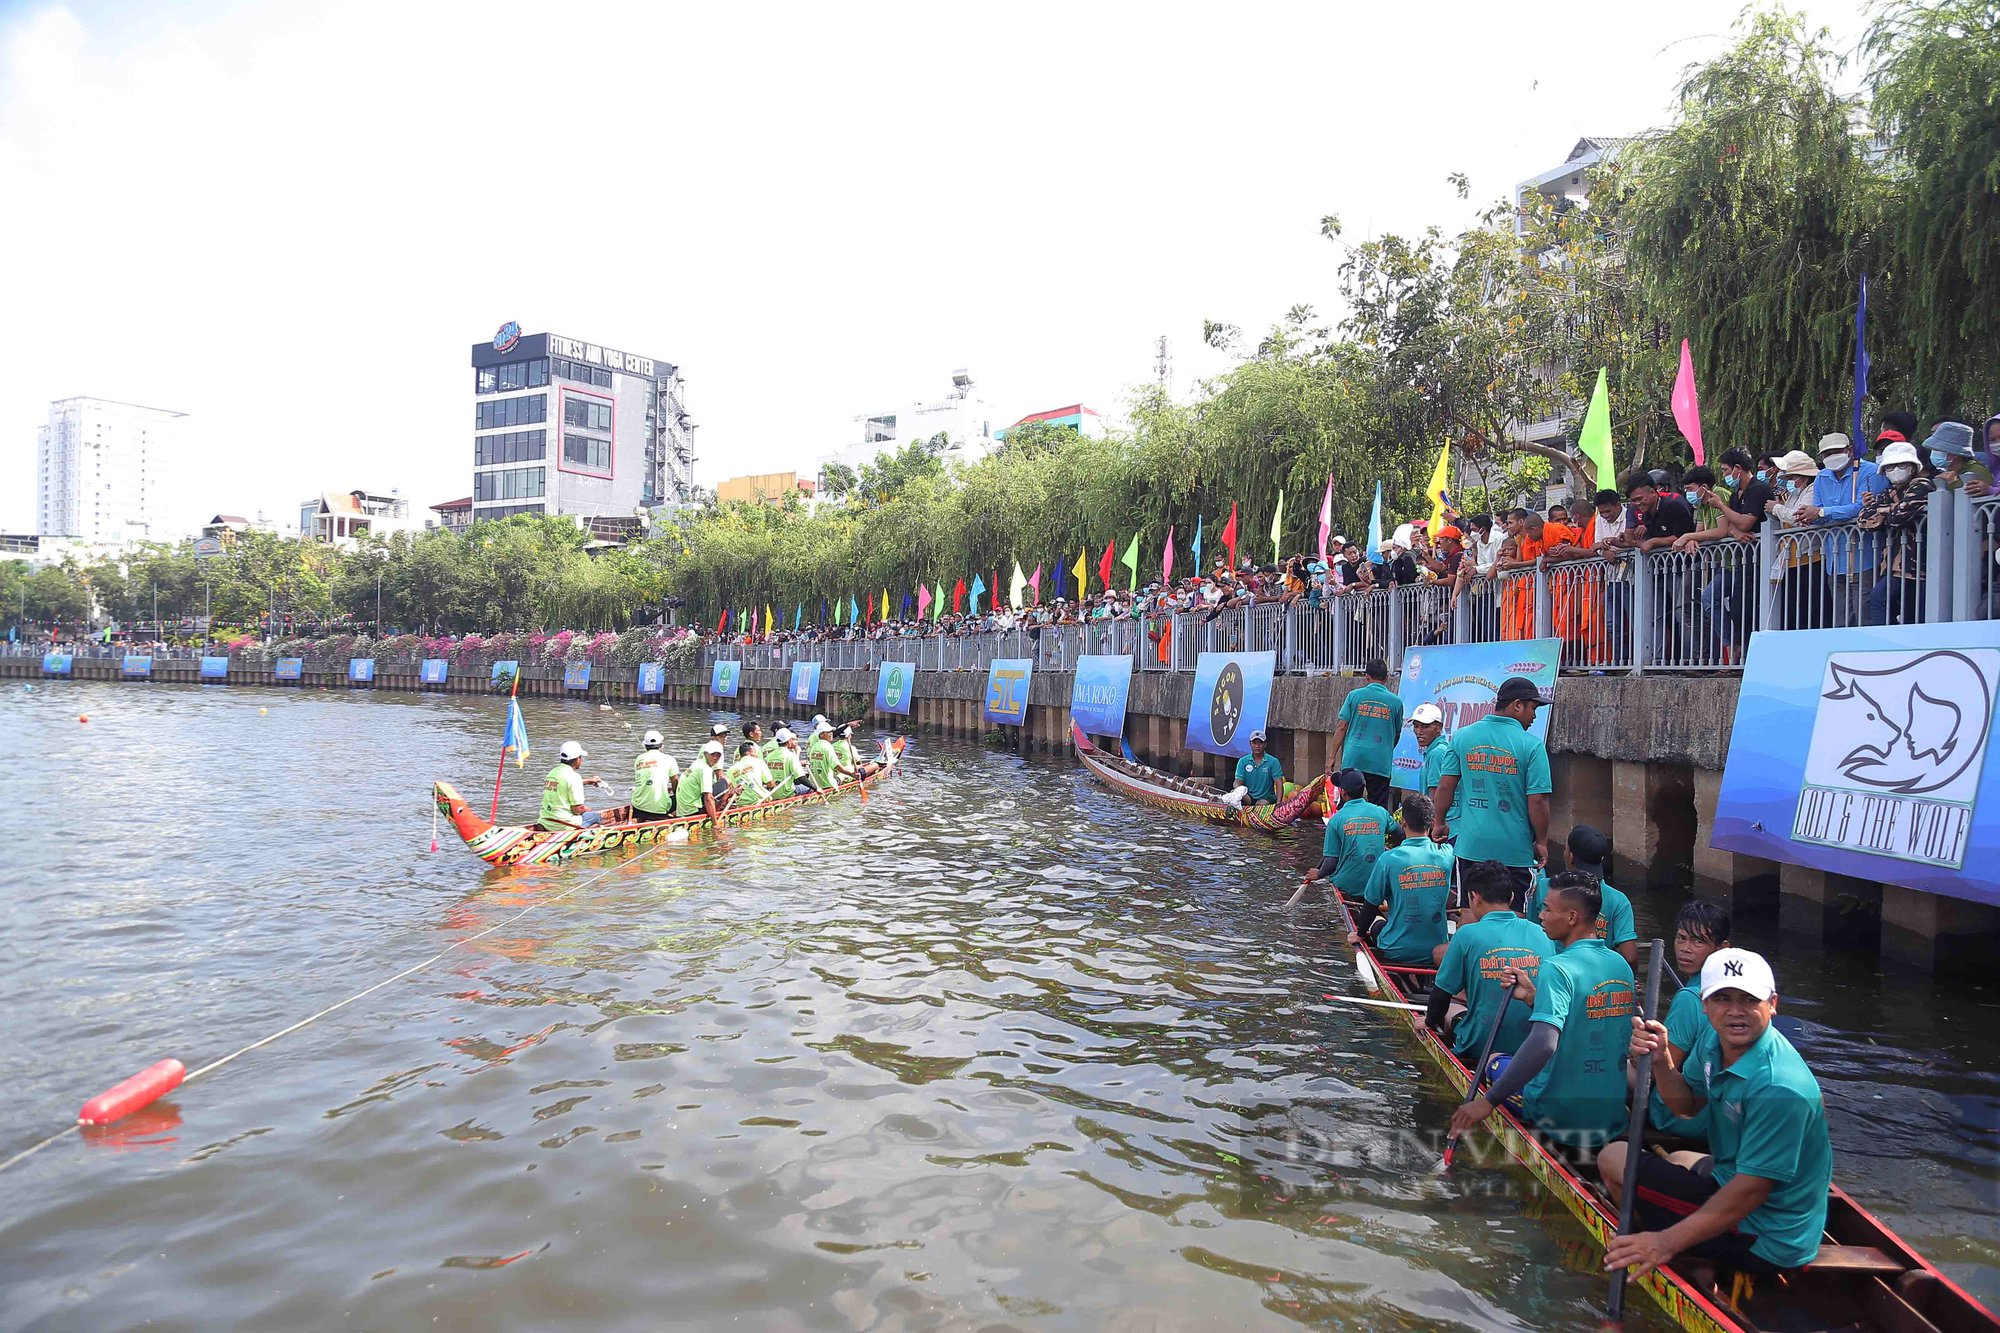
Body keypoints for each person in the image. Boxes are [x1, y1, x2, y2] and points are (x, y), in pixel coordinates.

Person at [1599, 949, 1833, 1280]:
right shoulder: (1715, 1041)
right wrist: (1662, 1059)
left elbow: (1751, 1191)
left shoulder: (1781, 1087)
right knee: (1679, 1156)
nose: (1736, 1012)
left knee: (1612, 1156)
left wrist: (1665, 1241)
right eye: (1722, 999)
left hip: (1768, 1235)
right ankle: (1685, 1242)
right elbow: (1686, 1106)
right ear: (1705, 1006)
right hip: (1737, 1180)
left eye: (1749, 1000)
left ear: (1772, 1004)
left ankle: (1664, 1251)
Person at [1449, 872, 1637, 1150]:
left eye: (1547, 909)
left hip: (1558, 1116)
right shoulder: (1620, 965)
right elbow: (1583, 1018)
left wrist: (1487, 1102)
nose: (1541, 916)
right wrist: (1533, 998)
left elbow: (1544, 1044)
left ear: (1572, 918)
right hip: (1610, 1115)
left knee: (1494, 1060)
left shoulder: (1557, 967)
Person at [1429, 676, 1551, 908]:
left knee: (1468, 909)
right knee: (1514, 915)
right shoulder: (1532, 746)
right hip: (1514, 851)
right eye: (1533, 708)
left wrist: (1439, 822)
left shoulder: (1463, 736)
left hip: (1470, 847)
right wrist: (1542, 841)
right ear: (1517, 705)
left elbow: (1445, 786)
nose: (1534, 716)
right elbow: (1539, 801)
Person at [1426, 859, 1556, 1054]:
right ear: (1511, 897)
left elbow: (1440, 995)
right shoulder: (1541, 933)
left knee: (1451, 1007)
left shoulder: (1466, 934)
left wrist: (1428, 1023)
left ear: (1475, 897)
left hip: (1480, 1047)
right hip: (1533, 1047)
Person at [1648, 900, 1732, 1139]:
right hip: (1715, 1116)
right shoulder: (1731, 992)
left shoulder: (1689, 998)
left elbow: (1661, 1069)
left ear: (1722, 948)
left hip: (1678, 1118)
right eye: (1681, 938)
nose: (1685, 948)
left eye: (1698, 942)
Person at [1346, 795, 1454, 968]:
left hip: (1395, 949)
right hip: (1436, 949)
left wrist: (1359, 934)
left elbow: (1370, 904)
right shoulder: (1448, 854)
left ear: (1403, 822)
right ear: (1432, 823)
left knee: (1376, 922)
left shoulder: (1388, 859)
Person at [1799, 431, 1887, 627]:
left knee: (1865, 615)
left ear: (1849, 450)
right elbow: (1819, 511)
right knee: (1841, 619)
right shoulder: (1822, 477)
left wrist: (1821, 513)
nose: (1831, 457)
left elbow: (1862, 508)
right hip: (1834, 559)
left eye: (1836, 451)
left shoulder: (1870, 472)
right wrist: (1809, 517)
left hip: (1864, 556)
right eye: (1826, 454)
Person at [1525, 825, 1640, 966]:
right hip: (1598, 975)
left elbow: (1531, 934)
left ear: (1571, 857)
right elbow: (1630, 957)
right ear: (1602, 858)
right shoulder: (1619, 900)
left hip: (1554, 969)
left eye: (1566, 849)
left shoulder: (1545, 888)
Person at [1859, 439, 1934, 626]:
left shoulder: (1922, 485)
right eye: (1890, 466)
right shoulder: (1889, 492)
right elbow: (1865, 519)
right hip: (1894, 562)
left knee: (1891, 603)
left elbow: (1899, 518)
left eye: (1901, 465)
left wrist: (1885, 511)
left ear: (1913, 466)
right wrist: (1890, 509)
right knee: (1891, 604)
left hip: (1919, 561)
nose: (1896, 470)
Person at [1297, 769, 1388, 902]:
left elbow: (1331, 862)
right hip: (1377, 884)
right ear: (1364, 790)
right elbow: (1398, 833)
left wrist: (1319, 874)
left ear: (1343, 792)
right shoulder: (1381, 812)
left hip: (1348, 886)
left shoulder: (1336, 820)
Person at [1330, 659, 1403, 808]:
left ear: (1367, 677)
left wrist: (1331, 757)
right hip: (1380, 762)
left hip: (1354, 759)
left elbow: (1341, 726)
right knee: (1378, 808)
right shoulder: (1396, 702)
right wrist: (1385, 749)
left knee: (1348, 805)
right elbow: (1397, 733)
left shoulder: (1354, 696)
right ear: (1387, 678)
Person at [1410, 702, 1461, 840]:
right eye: (1416, 726)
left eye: (1425, 726)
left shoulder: (1437, 753)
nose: (1419, 731)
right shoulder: (1438, 749)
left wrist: (1430, 827)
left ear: (1438, 727)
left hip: (1443, 828)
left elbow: (1434, 797)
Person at [539, 740, 607, 831]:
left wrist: (589, 781)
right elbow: (577, 810)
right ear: (578, 759)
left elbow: (564, 784)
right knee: (596, 816)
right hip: (563, 825)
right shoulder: (574, 777)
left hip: (545, 821)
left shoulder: (552, 772)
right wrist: (587, 809)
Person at [631, 729, 681, 822]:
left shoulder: (639, 759)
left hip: (638, 807)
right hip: (658, 809)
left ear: (645, 745)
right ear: (661, 745)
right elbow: (675, 784)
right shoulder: (669, 759)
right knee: (681, 797)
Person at [675, 739, 731, 821]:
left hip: (683, 809)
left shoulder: (697, 763)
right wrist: (715, 824)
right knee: (726, 782)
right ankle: (717, 811)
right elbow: (708, 798)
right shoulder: (705, 769)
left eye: (718, 755)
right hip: (692, 811)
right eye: (712, 754)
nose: (715, 758)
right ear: (705, 754)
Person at [1233, 731, 1286, 806]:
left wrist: (1279, 802)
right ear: (1250, 744)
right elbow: (1238, 781)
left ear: (1265, 744)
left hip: (1266, 797)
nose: (1257, 746)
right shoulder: (1243, 761)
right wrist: (1237, 788)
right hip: (1248, 797)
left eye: (1260, 743)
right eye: (1254, 743)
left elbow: (1278, 783)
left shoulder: (1273, 761)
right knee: (1233, 794)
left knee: (1261, 804)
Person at [764, 726, 810, 796]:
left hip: (773, 793)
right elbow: (801, 778)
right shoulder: (791, 755)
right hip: (787, 793)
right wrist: (816, 788)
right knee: (810, 788)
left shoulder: (769, 756)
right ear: (789, 741)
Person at [725, 740, 773, 805]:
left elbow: (730, 791)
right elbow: (771, 784)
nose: (757, 755)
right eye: (755, 752)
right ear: (748, 753)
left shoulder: (730, 770)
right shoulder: (759, 762)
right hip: (760, 801)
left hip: (741, 803)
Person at [807, 720, 844, 790]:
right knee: (844, 774)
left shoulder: (814, 746)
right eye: (828, 732)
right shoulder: (828, 746)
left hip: (814, 783)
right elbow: (837, 766)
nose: (831, 734)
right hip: (827, 784)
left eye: (831, 732)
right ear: (821, 734)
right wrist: (852, 774)